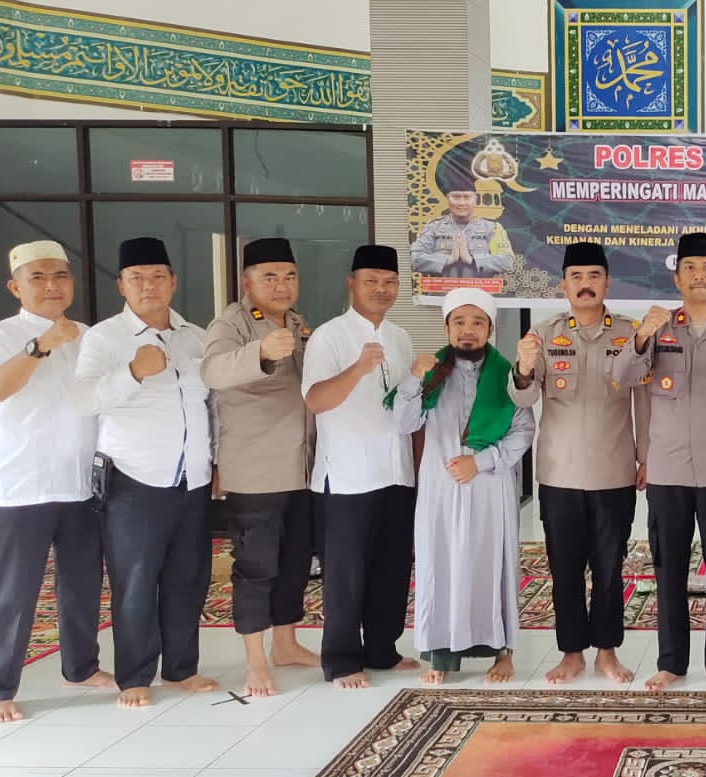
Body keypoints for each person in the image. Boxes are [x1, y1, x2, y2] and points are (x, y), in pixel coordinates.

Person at [612, 232, 706, 693]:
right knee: (669, 568)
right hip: (668, 468)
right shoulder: (657, 327)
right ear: (677, 277)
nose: (700, 276)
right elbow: (623, 376)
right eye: (690, 268)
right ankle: (672, 663)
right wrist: (641, 334)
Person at [72, 236, 217, 709]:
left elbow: (210, 405)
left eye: (157, 276)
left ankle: (181, 669)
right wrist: (132, 372)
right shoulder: (104, 338)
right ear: (122, 286)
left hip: (192, 478)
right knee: (135, 582)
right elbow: (82, 399)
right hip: (133, 480)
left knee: (187, 579)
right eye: (137, 278)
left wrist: (215, 462)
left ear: (173, 282)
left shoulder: (195, 336)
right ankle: (134, 676)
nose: (148, 286)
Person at [0, 240, 113, 722]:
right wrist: (39, 347)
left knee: (82, 586)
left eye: (60, 275)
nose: (52, 285)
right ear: (16, 287)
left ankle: (80, 668)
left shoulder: (90, 337)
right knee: (14, 593)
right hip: (23, 487)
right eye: (38, 277)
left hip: (81, 484)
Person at [511, 241, 646, 685]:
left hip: (613, 471)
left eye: (593, 276)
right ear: (563, 285)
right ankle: (571, 653)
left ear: (607, 283)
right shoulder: (544, 334)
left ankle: (607, 652)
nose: (585, 284)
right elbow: (524, 399)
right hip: (560, 473)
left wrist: (645, 456)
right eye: (576, 277)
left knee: (609, 569)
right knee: (564, 570)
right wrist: (523, 368)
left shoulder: (629, 333)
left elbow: (644, 400)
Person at [392, 287, 536, 685]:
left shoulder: (507, 374)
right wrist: (412, 379)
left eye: (477, 322)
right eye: (459, 322)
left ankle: (502, 653)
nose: (467, 330)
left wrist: (481, 461)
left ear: (491, 328)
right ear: (447, 328)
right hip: (440, 488)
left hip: (489, 486)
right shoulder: (431, 372)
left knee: (494, 565)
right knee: (440, 565)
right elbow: (404, 423)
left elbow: (524, 430)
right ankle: (440, 656)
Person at [201, 237, 320, 698]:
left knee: (295, 561)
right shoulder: (231, 323)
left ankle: (285, 644)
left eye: (289, 276)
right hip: (256, 470)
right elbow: (213, 371)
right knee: (256, 566)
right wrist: (263, 352)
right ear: (246, 283)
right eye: (269, 277)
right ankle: (255, 661)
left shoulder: (297, 321)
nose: (281, 285)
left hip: (300, 465)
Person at [302, 245, 420, 689]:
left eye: (389, 282)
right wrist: (356, 369)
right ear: (351, 283)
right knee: (346, 574)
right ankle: (341, 660)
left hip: (396, 470)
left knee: (392, 567)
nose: (381, 289)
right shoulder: (329, 336)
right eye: (371, 281)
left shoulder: (401, 337)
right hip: (347, 475)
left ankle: (382, 649)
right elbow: (315, 400)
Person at [411, 168, 517, 278]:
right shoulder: (433, 227)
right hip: (441, 288)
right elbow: (414, 259)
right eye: (455, 197)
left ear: (475, 199)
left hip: (479, 288)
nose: (461, 203)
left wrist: (472, 260)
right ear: (447, 199)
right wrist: (448, 259)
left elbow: (508, 262)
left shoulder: (492, 228)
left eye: (467, 197)